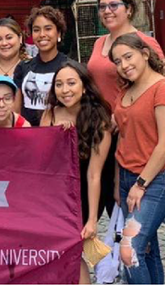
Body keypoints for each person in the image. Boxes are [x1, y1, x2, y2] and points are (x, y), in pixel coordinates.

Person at [108, 33, 165, 284]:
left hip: (156, 180)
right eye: (117, 61)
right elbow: (123, 136)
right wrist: (121, 181)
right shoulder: (126, 90)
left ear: (145, 53)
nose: (124, 65)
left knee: (129, 248)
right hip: (127, 177)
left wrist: (140, 184)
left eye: (128, 56)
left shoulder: (164, 89)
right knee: (148, 249)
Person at [41, 61, 113, 283]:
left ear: (84, 87)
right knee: (57, 251)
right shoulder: (50, 114)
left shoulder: (99, 119)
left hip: (83, 193)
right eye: (59, 84)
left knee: (74, 250)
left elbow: (94, 174)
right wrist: (57, 137)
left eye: (71, 83)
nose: (65, 90)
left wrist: (92, 220)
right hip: (55, 194)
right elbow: (42, 161)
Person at [88, 0, 165, 109]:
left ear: (128, 9)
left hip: (127, 119)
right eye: (102, 7)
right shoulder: (99, 42)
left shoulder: (145, 42)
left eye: (113, 5)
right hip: (98, 120)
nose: (107, 11)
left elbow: (162, 85)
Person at [14, 6, 71, 127]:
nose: (42, 34)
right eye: (36, 30)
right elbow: (16, 111)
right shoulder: (23, 67)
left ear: (59, 33)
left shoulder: (70, 68)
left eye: (48, 29)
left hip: (57, 135)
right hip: (27, 136)